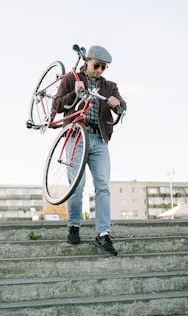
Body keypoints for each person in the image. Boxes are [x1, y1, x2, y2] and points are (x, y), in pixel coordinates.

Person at [53, 45, 126, 255]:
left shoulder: (109, 86)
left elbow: (123, 106)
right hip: (76, 137)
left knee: (103, 185)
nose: (100, 70)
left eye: (104, 68)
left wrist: (117, 104)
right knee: (77, 185)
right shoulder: (71, 79)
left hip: (99, 139)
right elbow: (57, 106)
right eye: (97, 66)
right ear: (88, 61)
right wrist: (73, 95)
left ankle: (103, 234)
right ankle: (74, 226)